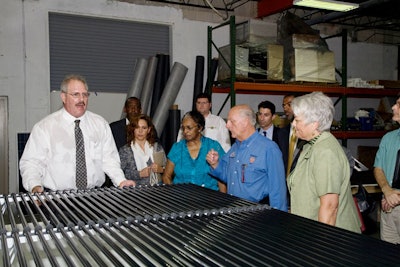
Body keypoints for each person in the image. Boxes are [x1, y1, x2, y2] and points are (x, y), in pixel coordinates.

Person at [20, 74, 135, 192]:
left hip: (93, 197)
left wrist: (121, 181)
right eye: (76, 94)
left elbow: (110, 159)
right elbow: (31, 163)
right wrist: (35, 186)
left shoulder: (100, 124)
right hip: (57, 201)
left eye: (85, 95)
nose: (81, 100)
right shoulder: (44, 127)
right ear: (63, 97)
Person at [287, 92, 361, 233]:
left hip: (333, 240)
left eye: (297, 120)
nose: (293, 124)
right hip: (310, 231)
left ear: (314, 124)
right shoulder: (311, 145)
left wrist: (321, 248)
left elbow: (330, 207)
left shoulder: (325, 152)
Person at [206, 104, 288, 211]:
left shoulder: (268, 149)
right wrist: (215, 164)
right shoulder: (235, 147)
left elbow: (278, 190)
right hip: (234, 210)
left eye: (232, 121)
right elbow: (228, 176)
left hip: (257, 213)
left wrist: (279, 221)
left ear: (245, 122)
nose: (227, 125)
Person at [163, 110, 226, 191]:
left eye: (189, 128)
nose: (185, 131)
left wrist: (223, 200)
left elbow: (222, 176)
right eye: (183, 128)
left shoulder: (213, 146)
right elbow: (166, 176)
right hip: (181, 198)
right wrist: (173, 195)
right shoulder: (177, 148)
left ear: (200, 128)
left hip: (209, 198)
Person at [373, 95, 400, 244]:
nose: (393, 108)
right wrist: (386, 190)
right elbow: (378, 168)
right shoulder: (388, 139)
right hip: (387, 208)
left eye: (398, 105)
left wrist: (395, 197)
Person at [119, 114, 166, 186]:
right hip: (135, 192)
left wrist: (161, 170)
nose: (140, 131)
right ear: (133, 129)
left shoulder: (157, 148)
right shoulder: (125, 150)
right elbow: (120, 174)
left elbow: (169, 170)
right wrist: (139, 174)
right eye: (137, 127)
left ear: (149, 130)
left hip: (157, 190)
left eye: (144, 128)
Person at [281, 93, 306, 175]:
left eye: (289, 104)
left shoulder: (307, 134)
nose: (285, 108)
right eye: (284, 105)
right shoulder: (281, 133)